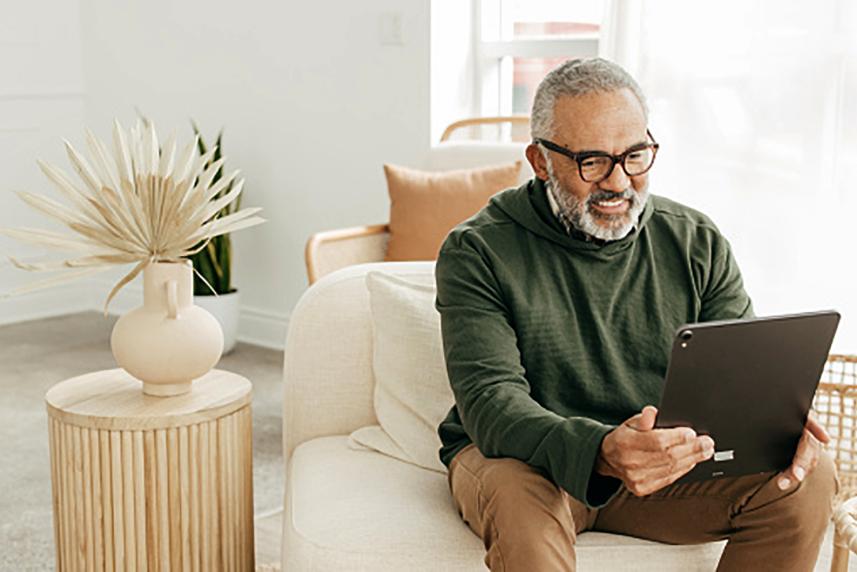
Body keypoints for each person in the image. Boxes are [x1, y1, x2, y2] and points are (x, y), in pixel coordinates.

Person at [435, 58, 837, 571]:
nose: (619, 182)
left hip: (658, 468)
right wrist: (600, 449)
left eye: (635, 155)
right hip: (528, 462)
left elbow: (740, 379)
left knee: (807, 476)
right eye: (593, 162)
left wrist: (774, 422)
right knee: (518, 505)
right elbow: (492, 404)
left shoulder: (695, 240)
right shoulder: (478, 250)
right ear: (540, 161)